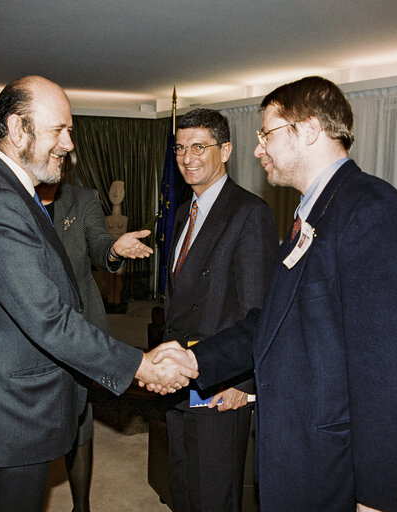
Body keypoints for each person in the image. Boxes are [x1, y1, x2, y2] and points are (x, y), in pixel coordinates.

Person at [153, 76, 397, 511]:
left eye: (266, 134)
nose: (257, 149)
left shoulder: (370, 209)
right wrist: (197, 360)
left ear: (307, 130)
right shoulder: (310, 214)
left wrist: (380, 496)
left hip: (333, 464)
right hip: (296, 451)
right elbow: (270, 323)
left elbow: (394, 369)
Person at [0, 75, 196, 512]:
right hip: (5, 415)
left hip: (5, 403)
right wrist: (140, 366)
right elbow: (48, 318)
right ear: (18, 129)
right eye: (59, 130)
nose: (70, 144)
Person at [162, 108, 277, 512]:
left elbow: (259, 311)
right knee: (182, 489)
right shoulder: (182, 213)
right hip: (179, 380)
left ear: (225, 150)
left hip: (219, 386)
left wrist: (243, 386)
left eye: (199, 146)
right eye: (180, 147)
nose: (187, 157)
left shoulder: (250, 213)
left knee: (213, 497)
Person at [36, 156, 152, 512]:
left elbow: (100, 243)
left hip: (80, 323)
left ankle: (81, 507)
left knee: (80, 417)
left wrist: (114, 250)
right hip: (33, 326)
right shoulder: (13, 197)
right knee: (37, 417)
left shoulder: (81, 198)